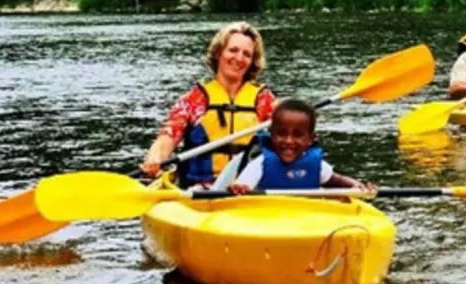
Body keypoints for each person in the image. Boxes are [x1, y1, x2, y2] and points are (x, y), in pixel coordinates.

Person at [141, 21, 275, 187]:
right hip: (199, 191)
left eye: (247, 54)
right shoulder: (194, 99)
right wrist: (155, 157)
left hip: (248, 191)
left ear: (252, 61)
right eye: (233, 50)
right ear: (219, 53)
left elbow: (287, 138)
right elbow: (169, 135)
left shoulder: (264, 99)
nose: (239, 58)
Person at [227, 98, 375, 195]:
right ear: (271, 135)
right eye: (281, 134)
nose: (289, 141)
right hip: (268, 223)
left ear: (311, 139)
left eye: (298, 135)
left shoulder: (317, 166)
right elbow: (239, 190)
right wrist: (240, 189)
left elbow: (339, 181)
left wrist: (358, 187)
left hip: (303, 224)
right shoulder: (259, 165)